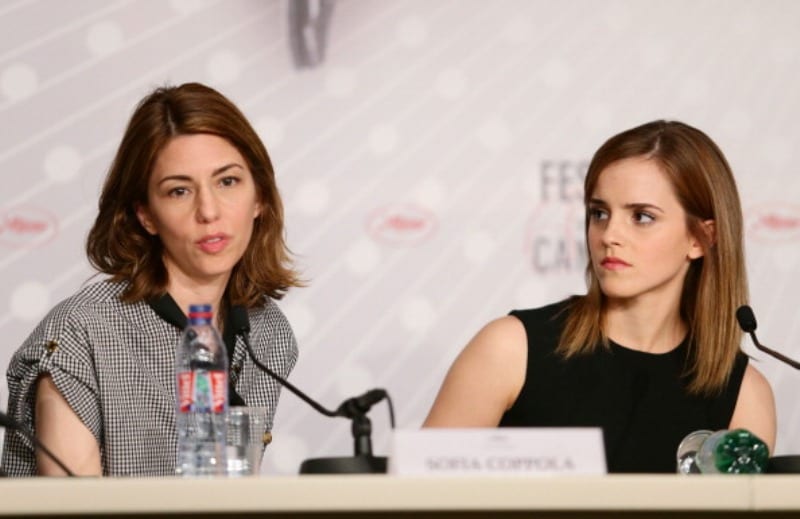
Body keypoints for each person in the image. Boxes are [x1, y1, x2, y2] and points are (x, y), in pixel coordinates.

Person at [423, 120, 776, 473]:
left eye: (641, 216)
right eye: (599, 213)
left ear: (700, 238)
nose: (609, 235)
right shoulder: (511, 347)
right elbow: (417, 499)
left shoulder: (745, 395)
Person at [1, 82, 302, 476]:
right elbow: (71, 512)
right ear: (145, 215)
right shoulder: (84, 330)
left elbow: (227, 496)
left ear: (259, 196)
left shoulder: (266, 333)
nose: (208, 211)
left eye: (227, 181)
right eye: (179, 191)